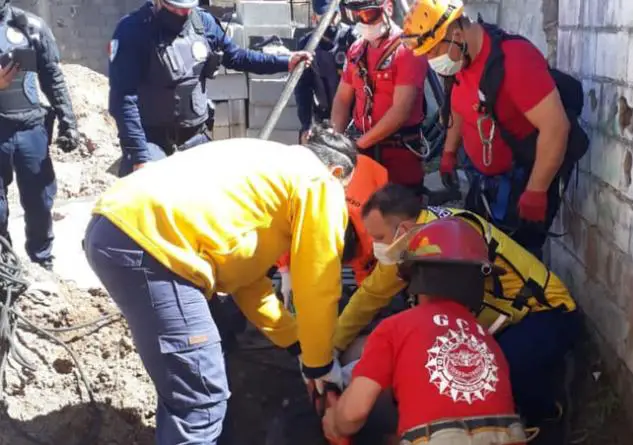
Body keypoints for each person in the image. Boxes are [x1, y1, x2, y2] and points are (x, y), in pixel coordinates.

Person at [83, 123, 356, 444]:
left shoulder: (273, 167)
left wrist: (296, 344)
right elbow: (318, 283)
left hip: (116, 228)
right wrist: (320, 364)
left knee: (194, 375)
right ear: (337, 172)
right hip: (154, 245)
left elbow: (247, 283)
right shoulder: (320, 182)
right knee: (200, 398)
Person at [334, 183, 580, 442]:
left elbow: (378, 299)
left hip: (546, 311)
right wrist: (334, 347)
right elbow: (370, 296)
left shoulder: (449, 239)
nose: (375, 245)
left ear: (402, 229)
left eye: (379, 237)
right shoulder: (417, 240)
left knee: (498, 370)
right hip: (493, 317)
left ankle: (548, 411)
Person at [401, 0, 589, 258]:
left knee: (517, 261)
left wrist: (536, 190)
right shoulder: (460, 60)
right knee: (478, 253)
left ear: (456, 35)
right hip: (484, 182)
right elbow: (458, 107)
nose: (431, 61)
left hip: (519, 184)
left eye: (433, 52)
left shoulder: (514, 60)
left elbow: (555, 127)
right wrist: (449, 152)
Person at [323, 217, 529, 445]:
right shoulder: (488, 339)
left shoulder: (395, 327)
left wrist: (334, 420)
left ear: (414, 278)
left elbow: (352, 415)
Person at [108, 0, 313, 177]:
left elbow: (238, 57)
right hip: (152, 140)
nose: (183, 13)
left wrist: (285, 61)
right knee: (151, 198)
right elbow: (123, 99)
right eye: (176, 7)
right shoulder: (133, 31)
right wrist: (140, 156)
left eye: (187, 7)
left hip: (194, 137)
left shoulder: (202, 22)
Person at [0, 0, 80, 270]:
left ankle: (42, 260)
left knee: (40, 201)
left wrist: (68, 121)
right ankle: (5, 266)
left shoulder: (31, 26)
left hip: (30, 127)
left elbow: (52, 75)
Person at [330, 0, 429, 194]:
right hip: (363, 152)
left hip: (398, 154)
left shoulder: (408, 49)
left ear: (388, 8)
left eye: (367, 15)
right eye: (356, 16)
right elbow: (342, 98)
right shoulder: (356, 50)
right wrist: (336, 140)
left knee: (399, 209)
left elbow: (401, 111)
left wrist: (358, 145)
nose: (362, 21)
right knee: (358, 206)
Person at [276, 151, 388, 301]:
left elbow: (367, 273)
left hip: (366, 170)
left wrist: (363, 295)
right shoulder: (303, 213)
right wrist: (285, 273)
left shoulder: (372, 239)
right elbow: (281, 234)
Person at [295, 0, 358, 144]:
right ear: (314, 17)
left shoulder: (352, 39)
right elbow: (302, 89)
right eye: (324, 16)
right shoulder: (307, 44)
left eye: (333, 15)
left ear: (339, 15)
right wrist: (307, 124)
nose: (329, 20)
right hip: (323, 116)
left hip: (353, 120)